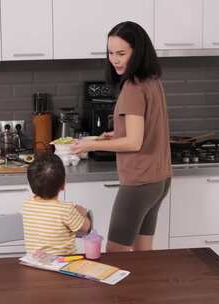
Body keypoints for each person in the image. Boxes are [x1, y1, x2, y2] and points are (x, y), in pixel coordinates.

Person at [71, 21, 172, 252]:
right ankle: (147, 290)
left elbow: (134, 142)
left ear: (138, 52)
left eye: (121, 53)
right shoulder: (152, 81)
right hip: (160, 179)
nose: (114, 59)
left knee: (115, 255)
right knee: (143, 253)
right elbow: (147, 129)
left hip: (139, 182)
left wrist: (90, 144)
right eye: (110, 53)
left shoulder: (133, 87)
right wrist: (117, 133)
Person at [22, 153, 91, 255]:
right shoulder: (66, 209)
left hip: (35, 264)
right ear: (63, 185)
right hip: (62, 265)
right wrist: (84, 214)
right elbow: (86, 228)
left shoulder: (27, 206)